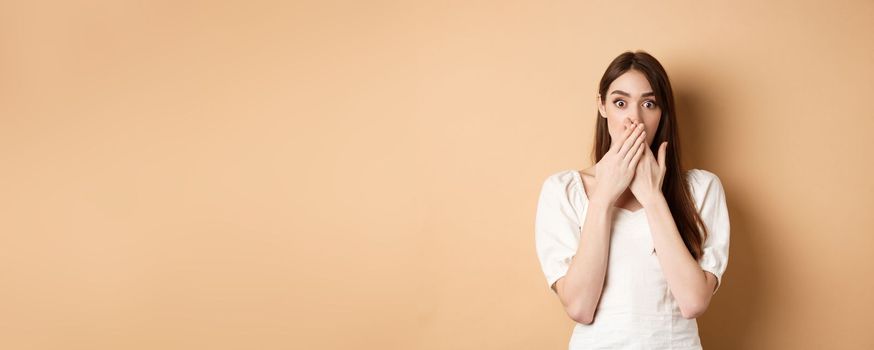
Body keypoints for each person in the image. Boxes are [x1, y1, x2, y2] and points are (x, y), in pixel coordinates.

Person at [534, 50, 730, 349]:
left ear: (662, 112)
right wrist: (602, 199)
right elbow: (579, 308)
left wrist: (652, 198)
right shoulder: (563, 190)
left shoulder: (702, 188)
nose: (634, 119)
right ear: (602, 106)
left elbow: (692, 302)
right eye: (620, 103)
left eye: (648, 104)